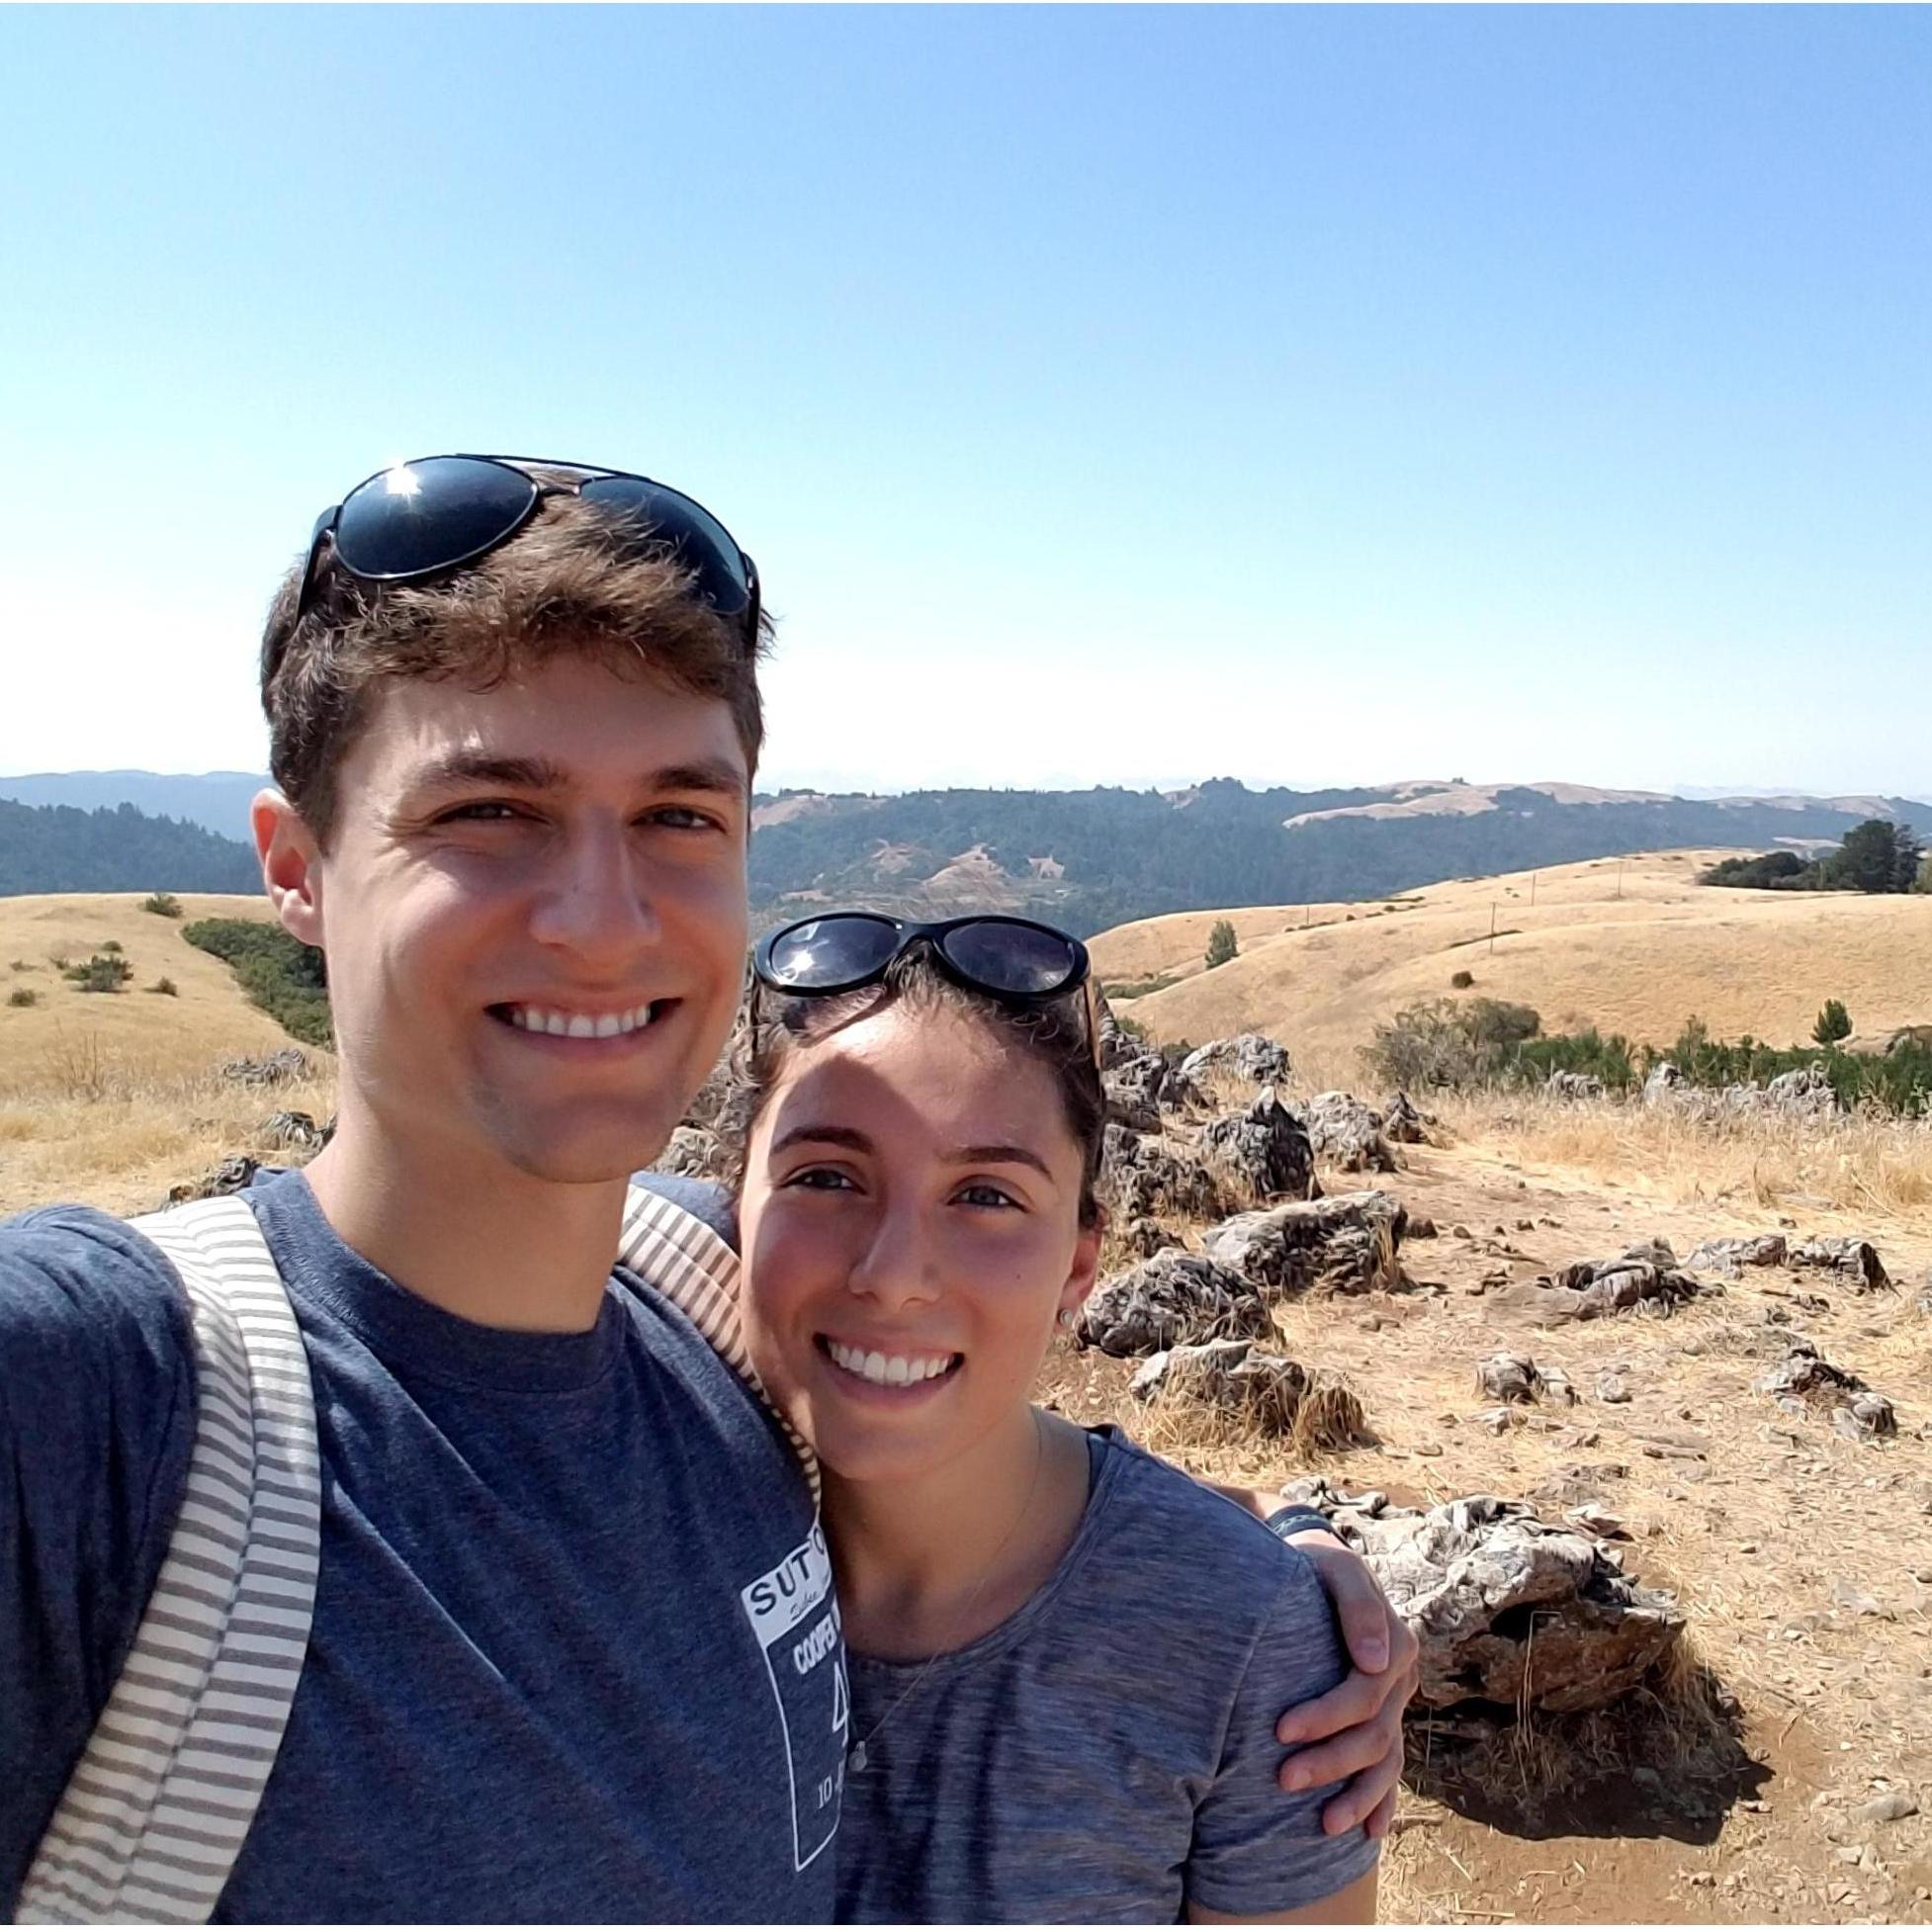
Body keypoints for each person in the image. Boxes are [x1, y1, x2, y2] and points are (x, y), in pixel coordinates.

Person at [0, 455, 1411, 1921]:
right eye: (490, 810)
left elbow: (962, 1392)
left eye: (678, 817)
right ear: (296, 867)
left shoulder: (712, 1308)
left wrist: (1265, 1588)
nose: (604, 925)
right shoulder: (107, 1404)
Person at [725, 910, 1382, 1921]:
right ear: (730, 1204)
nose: (892, 1274)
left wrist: (1281, 1558)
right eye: (824, 1177)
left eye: (984, 1195)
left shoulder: (1245, 1644)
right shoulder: (635, 1503)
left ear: (1081, 1264)